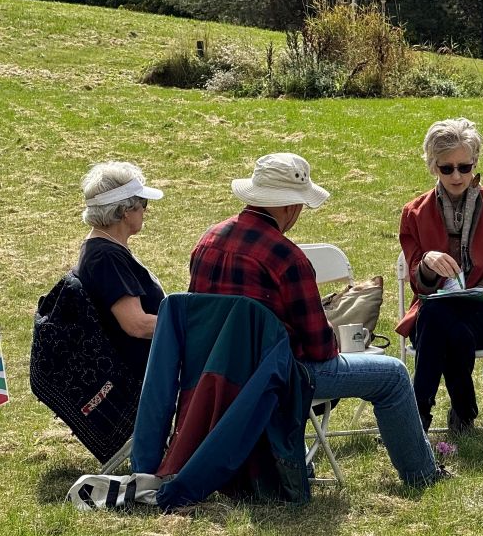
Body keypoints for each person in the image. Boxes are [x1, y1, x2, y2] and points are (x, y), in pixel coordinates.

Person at [188, 152, 443, 487]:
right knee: (392, 375)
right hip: (276, 376)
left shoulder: (208, 240)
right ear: (289, 207)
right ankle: (421, 474)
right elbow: (321, 349)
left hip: (215, 372)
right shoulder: (286, 256)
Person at [398, 118, 483, 433]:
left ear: (475, 163)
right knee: (444, 319)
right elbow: (418, 279)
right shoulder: (414, 213)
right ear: (433, 167)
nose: (457, 176)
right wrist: (427, 263)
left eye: (464, 167)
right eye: (447, 168)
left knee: (438, 318)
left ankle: (417, 417)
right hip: (437, 314)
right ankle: (463, 412)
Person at [74, 161, 165, 378]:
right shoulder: (106, 258)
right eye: (142, 203)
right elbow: (137, 324)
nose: (145, 210)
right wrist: (191, 325)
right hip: (131, 384)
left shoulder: (104, 248)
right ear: (125, 211)